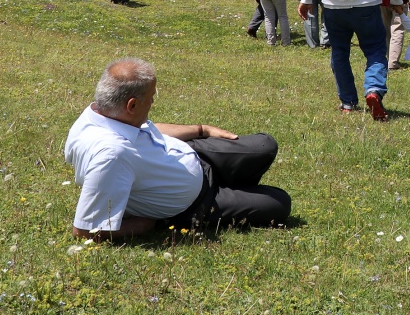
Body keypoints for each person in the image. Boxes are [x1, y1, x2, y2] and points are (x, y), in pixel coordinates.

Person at [63, 58, 290, 238]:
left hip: (194, 155)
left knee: (265, 146)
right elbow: (85, 231)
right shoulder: (111, 155)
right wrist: (142, 225)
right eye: (151, 97)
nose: (153, 102)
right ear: (131, 105)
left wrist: (202, 129)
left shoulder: (98, 113)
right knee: (279, 203)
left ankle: (235, 184)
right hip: (196, 202)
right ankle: (234, 189)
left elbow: (150, 128)